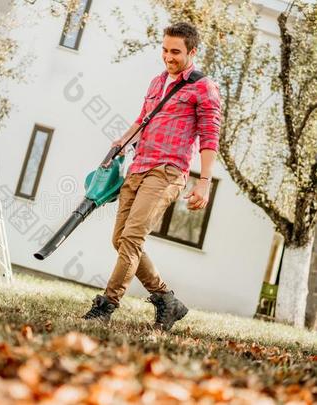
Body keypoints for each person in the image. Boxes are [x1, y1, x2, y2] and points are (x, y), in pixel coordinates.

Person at [81, 22, 221, 331]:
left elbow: (210, 138)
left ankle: (106, 307)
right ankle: (166, 300)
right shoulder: (157, 81)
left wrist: (204, 181)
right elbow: (142, 120)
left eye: (175, 52)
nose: (168, 57)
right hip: (139, 166)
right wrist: (122, 142)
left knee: (132, 239)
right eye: (165, 50)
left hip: (168, 171)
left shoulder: (203, 87)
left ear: (192, 52)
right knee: (119, 239)